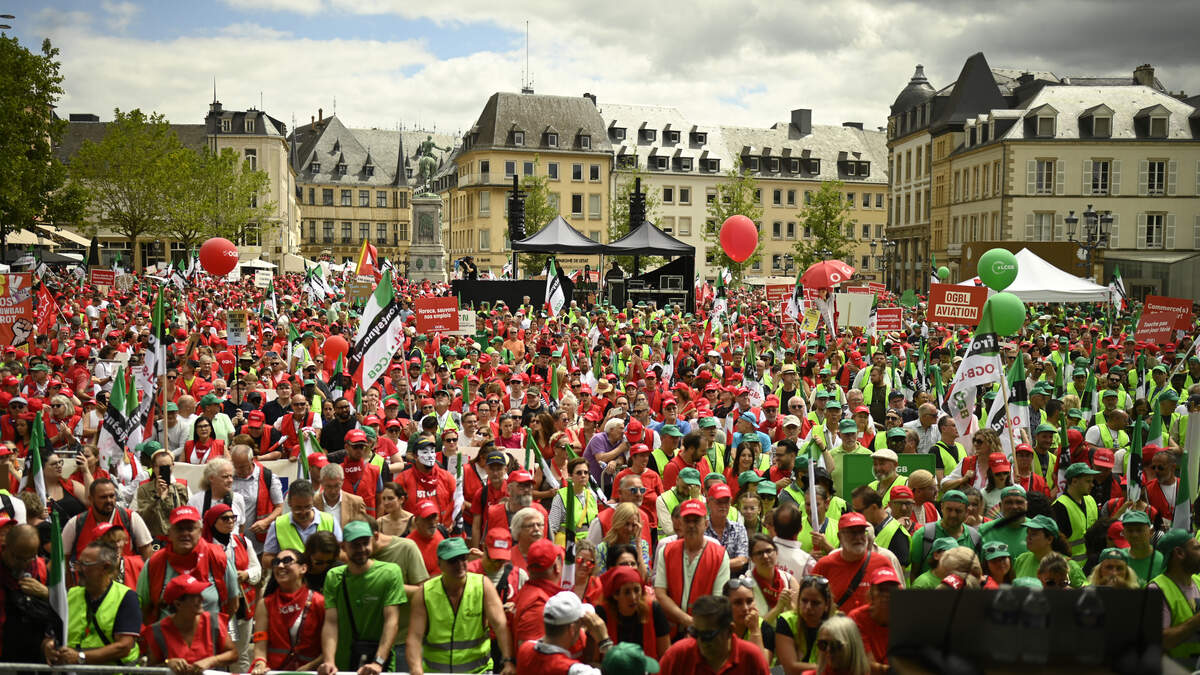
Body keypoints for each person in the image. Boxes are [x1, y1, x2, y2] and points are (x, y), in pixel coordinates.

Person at [407, 537, 515, 675]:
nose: (460, 565)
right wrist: (416, 669)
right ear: (439, 563)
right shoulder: (425, 593)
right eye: (452, 561)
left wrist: (508, 661)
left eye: (463, 558)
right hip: (436, 672)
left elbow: (500, 626)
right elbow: (414, 637)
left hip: (478, 671)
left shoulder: (482, 585)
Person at [317, 520, 406, 674]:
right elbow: (331, 622)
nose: (361, 549)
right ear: (343, 547)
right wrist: (329, 661)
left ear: (374, 539)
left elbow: (391, 621)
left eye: (365, 543)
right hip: (343, 665)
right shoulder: (333, 576)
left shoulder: (390, 573)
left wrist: (378, 662)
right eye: (355, 545)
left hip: (379, 665)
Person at [42, 540, 141, 667]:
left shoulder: (127, 597)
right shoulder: (69, 595)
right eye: (77, 563)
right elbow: (49, 636)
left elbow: (123, 647)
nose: (78, 570)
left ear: (105, 567)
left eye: (85, 564)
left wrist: (80, 657)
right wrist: (48, 647)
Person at [138, 505, 239, 622]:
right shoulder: (155, 563)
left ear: (200, 531)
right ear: (169, 533)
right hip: (168, 638)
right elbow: (144, 607)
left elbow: (233, 604)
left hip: (209, 637)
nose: (185, 533)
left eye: (190, 529)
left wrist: (215, 630)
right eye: (179, 529)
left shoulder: (218, 557)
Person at [654, 499, 731, 632]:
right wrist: (686, 620)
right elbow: (660, 593)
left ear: (706, 524)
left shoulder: (720, 554)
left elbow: (718, 599)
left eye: (696, 521)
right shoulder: (666, 551)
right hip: (670, 629)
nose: (691, 525)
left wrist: (697, 625)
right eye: (687, 520)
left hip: (706, 630)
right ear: (680, 524)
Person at [250, 548, 326, 674]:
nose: (280, 565)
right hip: (273, 671)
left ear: (303, 568)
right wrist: (260, 663)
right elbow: (260, 641)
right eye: (276, 562)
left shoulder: (319, 602)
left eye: (287, 561)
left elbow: (330, 646)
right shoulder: (265, 604)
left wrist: (309, 668)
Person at [140, 574, 239, 672]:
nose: (202, 598)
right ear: (178, 604)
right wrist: (167, 663)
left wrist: (211, 661)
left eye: (200, 594)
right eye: (195, 596)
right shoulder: (158, 631)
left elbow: (233, 654)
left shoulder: (213, 621)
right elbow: (151, 668)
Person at [656, 594, 770, 675]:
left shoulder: (751, 657)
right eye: (695, 633)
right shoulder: (677, 655)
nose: (700, 641)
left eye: (708, 635)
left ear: (730, 630)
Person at [811, 512, 895, 614]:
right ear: (839, 537)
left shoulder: (882, 563)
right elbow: (810, 599)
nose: (858, 537)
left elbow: (896, 601)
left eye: (861, 532)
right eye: (852, 532)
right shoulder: (824, 565)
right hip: (839, 629)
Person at [516, 589, 610, 675]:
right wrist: (605, 642)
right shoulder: (574, 671)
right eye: (580, 624)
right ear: (572, 629)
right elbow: (618, 670)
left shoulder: (525, 649)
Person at [63, 477, 154, 562]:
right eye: (103, 497)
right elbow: (63, 560)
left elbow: (147, 553)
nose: (109, 500)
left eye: (112, 496)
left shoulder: (130, 518)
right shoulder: (75, 523)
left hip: (124, 577)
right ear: (91, 499)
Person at [1, 524, 56, 664]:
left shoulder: (41, 569)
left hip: (36, 652)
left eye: (29, 558)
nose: (24, 564)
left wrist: (46, 593)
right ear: (6, 547)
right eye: (18, 558)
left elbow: (65, 604)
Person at [596, 565, 670, 659]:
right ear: (615, 595)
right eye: (627, 592)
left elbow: (665, 657)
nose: (633, 597)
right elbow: (593, 661)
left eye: (636, 590)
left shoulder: (654, 609)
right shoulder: (602, 613)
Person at [263, 479, 341, 566]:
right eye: (298, 508)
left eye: (307, 507)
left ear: (313, 501)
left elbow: (341, 554)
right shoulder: (277, 525)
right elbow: (266, 559)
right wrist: (284, 562)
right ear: (289, 503)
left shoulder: (329, 520)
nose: (303, 512)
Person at [907, 489, 980, 579]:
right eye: (949, 509)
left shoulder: (974, 537)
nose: (953, 515)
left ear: (966, 512)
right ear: (941, 508)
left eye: (958, 511)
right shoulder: (923, 535)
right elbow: (913, 573)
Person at [775, 573, 835, 675]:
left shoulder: (838, 623)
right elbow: (790, 668)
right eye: (804, 601)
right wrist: (826, 668)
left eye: (815, 603)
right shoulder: (786, 620)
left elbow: (844, 666)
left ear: (827, 605)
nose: (808, 607)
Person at [132, 446, 191, 539]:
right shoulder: (143, 488)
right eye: (160, 467)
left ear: (173, 466)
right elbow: (142, 517)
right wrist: (157, 497)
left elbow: (189, 514)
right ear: (153, 467)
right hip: (154, 539)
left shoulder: (181, 487)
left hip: (177, 539)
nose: (164, 470)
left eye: (167, 467)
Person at [1012, 515, 1085, 587]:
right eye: (1028, 533)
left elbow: (1086, 594)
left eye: (1034, 534)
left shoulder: (1069, 565)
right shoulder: (1021, 560)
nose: (1028, 537)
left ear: (1049, 539)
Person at [1052, 462, 1100, 563]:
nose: (1092, 485)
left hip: (1092, 567)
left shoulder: (1091, 500)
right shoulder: (1060, 507)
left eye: (1092, 481)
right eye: (1088, 481)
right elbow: (1056, 546)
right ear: (1074, 481)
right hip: (1071, 569)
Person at [723, 577, 776, 662]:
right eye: (738, 602)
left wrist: (755, 631)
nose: (745, 608)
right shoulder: (716, 627)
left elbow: (760, 667)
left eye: (749, 601)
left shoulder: (764, 629)